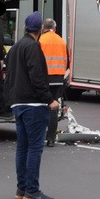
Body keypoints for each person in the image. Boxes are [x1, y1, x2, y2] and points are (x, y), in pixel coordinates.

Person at [4, 11, 61, 199]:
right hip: (33, 105)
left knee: (22, 148)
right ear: (40, 30)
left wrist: (10, 99)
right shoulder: (33, 47)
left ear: (25, 28)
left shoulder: (15, 48)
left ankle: (21, 189)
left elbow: (8, 76)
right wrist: (49, 100)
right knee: (35, 148)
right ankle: (32, 191)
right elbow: (37, 78)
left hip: (18, 103)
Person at [39, 18, 69, 147]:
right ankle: (51, 139)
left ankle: (39, 137)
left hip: (44, 79)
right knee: (53, 107)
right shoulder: (61, 41)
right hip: (58, 79)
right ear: (54, 28)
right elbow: (67, 62)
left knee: (40, 107)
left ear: (43, 28)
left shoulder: (40, 41)